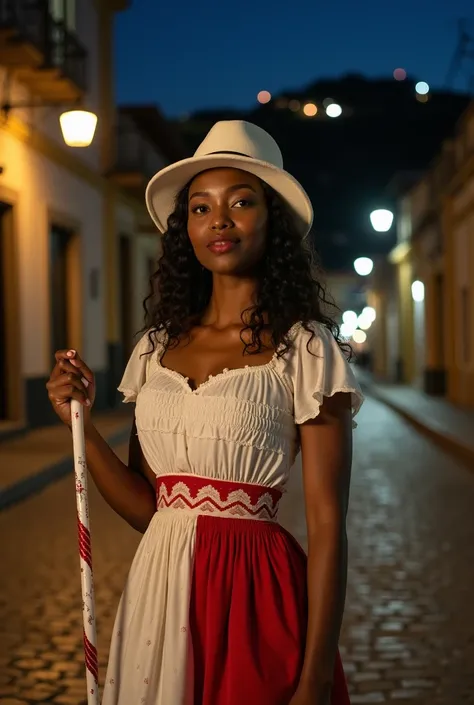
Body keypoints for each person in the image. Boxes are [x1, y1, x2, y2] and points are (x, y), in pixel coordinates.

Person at [46, 120, 364, 705]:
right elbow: (150, 508)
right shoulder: (155, 349)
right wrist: (81, 425)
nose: (218, 220)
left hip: (257, 598)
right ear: (185, 229)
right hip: (159, 598)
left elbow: (326, 525)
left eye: (241, 203)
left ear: (274, 224)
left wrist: (316, 673)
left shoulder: (307, 349)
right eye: (200, 207)